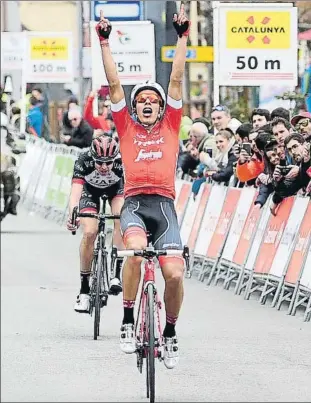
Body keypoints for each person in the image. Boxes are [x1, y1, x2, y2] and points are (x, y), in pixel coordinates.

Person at [96, 8, 190, 368]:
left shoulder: (171, 124)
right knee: (134, 251)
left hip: (164, 207)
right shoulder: (126, 127)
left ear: (163, 107)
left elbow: (177, 79)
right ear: (134, 109)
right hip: (134, 203)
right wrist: (104, 41)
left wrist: (182, 36)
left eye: (154, 101)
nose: (148, 104)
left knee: (175, 273)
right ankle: (126, 320)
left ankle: (169, 331)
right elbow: (116, 83)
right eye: (142, 102)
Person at [66, 135, 125, 312]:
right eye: (99, 162)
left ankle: (116, 274)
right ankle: (84, 291)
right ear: (93, 158)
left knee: (120, 218)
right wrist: (73, 215)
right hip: (89, 193)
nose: (104, 167)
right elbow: (75, 193)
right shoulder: (83, 160)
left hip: (116, 191)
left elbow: (130, 193)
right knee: (90, 232)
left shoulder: (123, 162)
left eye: (109, 162)